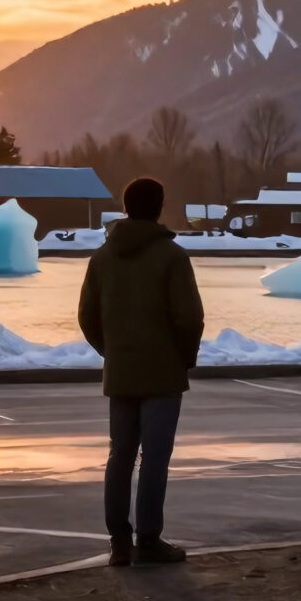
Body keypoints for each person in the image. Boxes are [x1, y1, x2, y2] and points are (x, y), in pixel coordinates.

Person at [76, 177, 204, 566]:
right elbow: (189, 318)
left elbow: (86, 317)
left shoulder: (102, 257)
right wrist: (183, 358)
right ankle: (149, 539)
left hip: (121, 371)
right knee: (154, 457)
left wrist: (112, 352)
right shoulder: (172, 257)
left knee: (120, 455)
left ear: (125, 206)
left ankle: (118, 541)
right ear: (159, 206)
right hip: (162, 374)